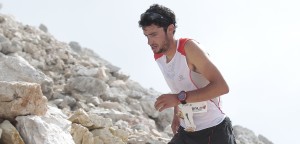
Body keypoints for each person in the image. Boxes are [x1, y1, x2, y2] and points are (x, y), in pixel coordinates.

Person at [138, 4, 237, 144]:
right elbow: (182, 87)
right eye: (146, 36)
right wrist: (177, 115)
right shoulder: (159, 56)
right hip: (187, 131)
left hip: (214, 130)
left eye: (154, 34)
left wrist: (177, 99)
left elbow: (222, 87)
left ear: (170, 29)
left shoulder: (189, 48)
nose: (149, 42)